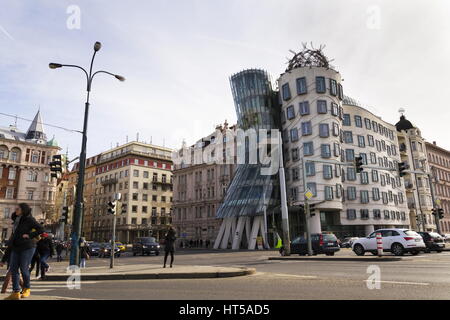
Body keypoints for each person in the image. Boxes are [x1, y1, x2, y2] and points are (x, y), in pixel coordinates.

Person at [2, 203, 44, 300]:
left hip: (27, 247)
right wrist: (4, 258)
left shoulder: (29, 219)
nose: (16, 210)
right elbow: (14, 236)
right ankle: (16, 292)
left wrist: (29, 235)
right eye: (16, 208)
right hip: (16, 247)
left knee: (24, 269)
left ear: (23, 210)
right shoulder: (16, 220)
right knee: (13, 269)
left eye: (18, 209)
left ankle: (26, 289)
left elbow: (41, 229)